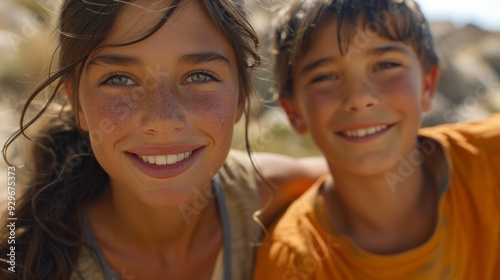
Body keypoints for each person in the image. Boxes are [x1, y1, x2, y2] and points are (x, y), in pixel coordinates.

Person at [0, 1, 326, 279]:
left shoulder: (276, 194)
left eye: (199, 76)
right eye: (120, 79)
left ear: (242, 94)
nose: (163, 121)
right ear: (76, 103)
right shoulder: (16, 250)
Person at [254, 0, 500, 279]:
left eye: (385, 65)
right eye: (325, 76)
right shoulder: (295, 260)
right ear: (293, 112)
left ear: (428, 85)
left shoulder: (493, 161)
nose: (359, 98)